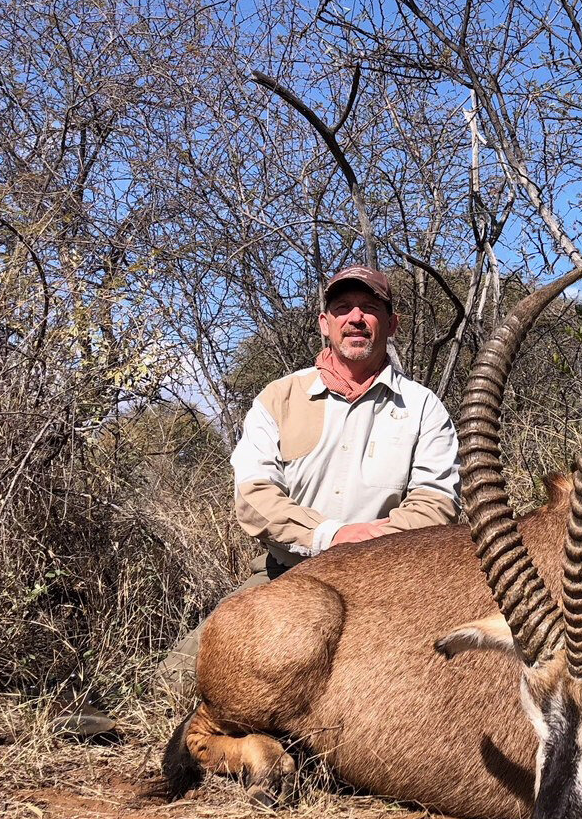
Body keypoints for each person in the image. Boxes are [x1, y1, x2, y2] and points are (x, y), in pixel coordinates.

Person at [159, 264, 460, 698]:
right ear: (325, 323)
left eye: (370, 309)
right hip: (289, 574)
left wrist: (370, 546)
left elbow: (436, 506)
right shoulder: (278, 397)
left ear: (391, 323)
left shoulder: (424, 408)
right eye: (342, 309)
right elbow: (254, 499)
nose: (356, 318)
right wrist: (332, 537)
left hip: (389, 585)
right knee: (183, 678)